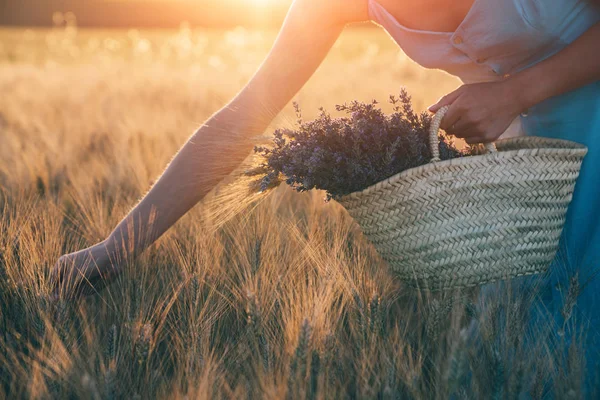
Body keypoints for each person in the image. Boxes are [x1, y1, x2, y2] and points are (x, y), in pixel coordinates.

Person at [52, 0, 600, 390]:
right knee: (533, 355)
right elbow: (241, 121)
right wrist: (116, 246)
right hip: (530, 183)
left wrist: (514, 92)